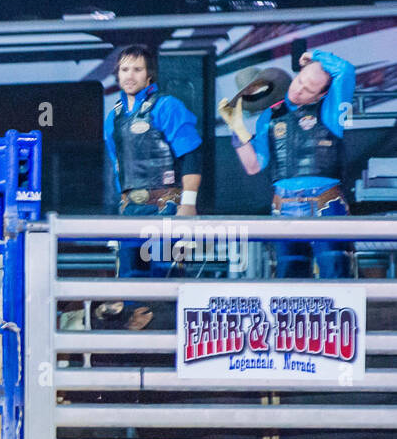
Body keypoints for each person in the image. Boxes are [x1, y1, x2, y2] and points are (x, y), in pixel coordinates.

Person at [221, 50, 356, 278]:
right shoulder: (270, 116)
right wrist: (237, 130)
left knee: (336, 276)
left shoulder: (331, 110)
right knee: (289, 280)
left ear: (320, 95)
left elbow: (346, 70)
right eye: (300, 80)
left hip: (325, 203)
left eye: (309, 89)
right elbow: (254, 166)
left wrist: (315, 55)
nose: (298, 89)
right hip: (284, 206)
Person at [100, 45, 201, 330]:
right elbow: (117, 166)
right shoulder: (114, 116)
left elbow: (191, 155)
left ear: (149, 75)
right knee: (130, 279)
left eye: (137, 69)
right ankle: (138, 355)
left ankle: (171, 346)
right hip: (130, 208)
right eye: (124, 69)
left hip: (164, 205)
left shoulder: (168, 106)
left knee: (165, 275)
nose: (130, 75)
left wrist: (188, 203)